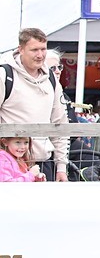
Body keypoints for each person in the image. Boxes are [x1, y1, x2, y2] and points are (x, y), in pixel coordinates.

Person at [0, 27, 69, 181]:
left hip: (45, 162)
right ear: (21, 49)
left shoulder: (51, 78)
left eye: (43, 49)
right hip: (10, 165)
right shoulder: (5, 76)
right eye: (34, 50)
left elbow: (60, 124)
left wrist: (61, 166)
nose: (40, 55)